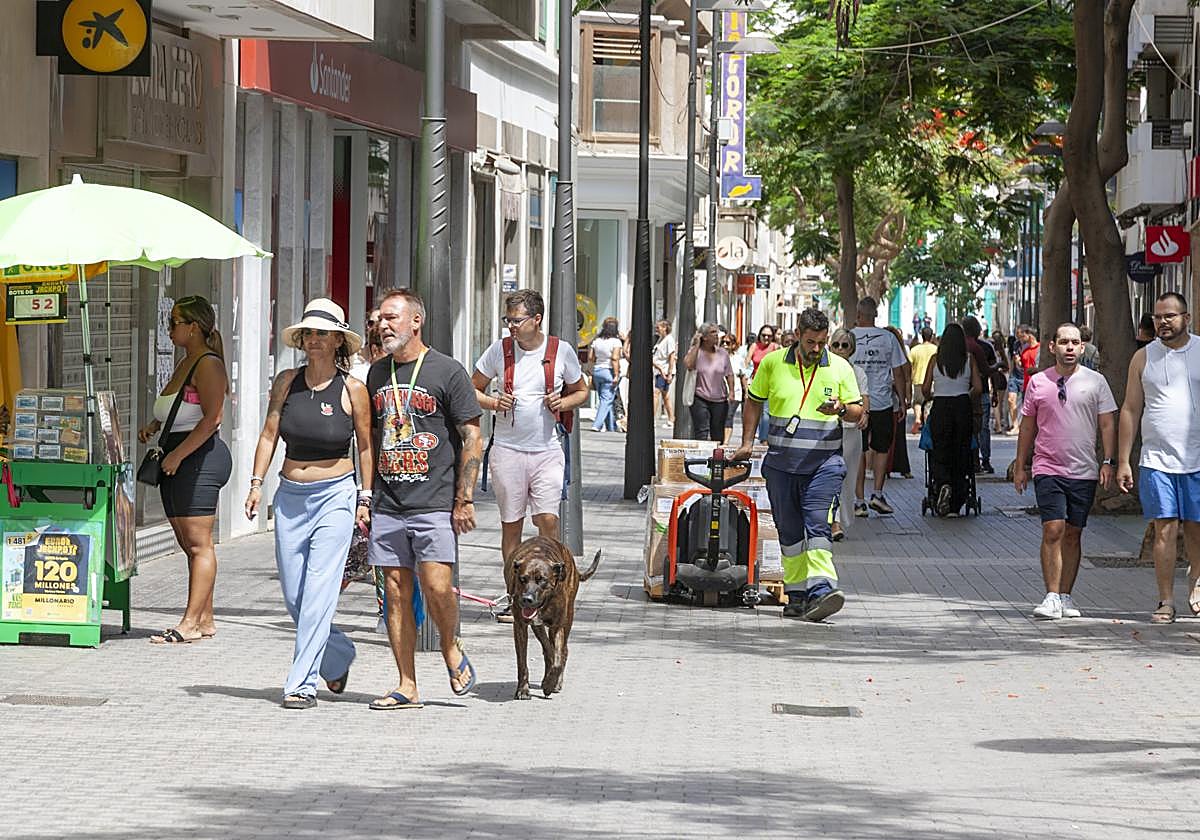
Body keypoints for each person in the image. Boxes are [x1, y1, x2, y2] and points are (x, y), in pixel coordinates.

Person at [244, 299, 373, 709]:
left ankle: (301, 684)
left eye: (323, 334)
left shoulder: (353, 389)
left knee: (319, 589)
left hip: (336, 495)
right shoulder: (286, 382)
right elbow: (268, 435)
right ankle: (337, 653)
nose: (314, 341)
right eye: (309, 334)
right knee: (295, 593)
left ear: (339, 341)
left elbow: (366, 447)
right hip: (290, 497)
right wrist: (255, 483)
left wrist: (364, 499)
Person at [366, 288, 483, 709]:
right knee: (395, 592)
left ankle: (450, 647)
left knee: (437, 587)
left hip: (434, 500)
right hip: (388, 502)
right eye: (380, 318)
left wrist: (464, 498)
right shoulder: (376, 375)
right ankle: (406, 683)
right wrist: (367, 498)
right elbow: (373, 437)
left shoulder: (447, 372)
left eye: (392, 317)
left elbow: (472, 435)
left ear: (416, 321)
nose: (383, 325)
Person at [732, 308, 864, 620]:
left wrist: (842, 409)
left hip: (825, 464)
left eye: (821, 343)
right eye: (810, 342)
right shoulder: (773, 363)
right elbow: (754, 400)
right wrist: (747, 442)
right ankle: (796, 594)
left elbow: (859, 413)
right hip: (781, 464)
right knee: (789, 532)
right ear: (797, 335)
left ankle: (822, 589)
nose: (816, 349)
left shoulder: (840, 368)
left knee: (817, 522)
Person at [472, 289, 589, 622]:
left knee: (547, 522)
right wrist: (494, 403)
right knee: (512, 526)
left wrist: (563, 403)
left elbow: (581, 390)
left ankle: (551, 594)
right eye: (508, 320)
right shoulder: (500, 350)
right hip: (507, 451)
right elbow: (472, 386)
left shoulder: (560, 351)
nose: (511, 326)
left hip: (547, 449)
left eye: (517, 320)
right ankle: (515, 596)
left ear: (536, 319)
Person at [137, 295, 231, 644]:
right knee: (186, 542)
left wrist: (178, 456)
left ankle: (190, 622)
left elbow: (212, 419)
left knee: (199, 544)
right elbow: (180, 409)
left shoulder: (208, 364)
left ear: (194, 327)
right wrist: (153, 426)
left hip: (200, 458)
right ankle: (204, 618)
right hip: (178, 455)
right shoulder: (186, 361)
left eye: (174, 322)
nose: (169, 327)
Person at [1014, 323, 1117, 620]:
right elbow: (1028, 426)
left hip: (1083, 470)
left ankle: (1066, 595)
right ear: (1052, 347)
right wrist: (1022, 465)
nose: (1069, 347)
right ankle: (1051, 595)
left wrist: (1108, 461)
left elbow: (1107, 423)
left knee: (1073, 533)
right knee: (1053, 529)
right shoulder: (1038, 383)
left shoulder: (1096, 382)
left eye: (1075, 343)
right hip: (1048, 467)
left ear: (1082, 348)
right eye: (1063, 342)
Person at [1117, 292, 1200, 624]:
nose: (1163, 322)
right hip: (1156, 459)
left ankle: (1197, 584)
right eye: (1157, 317)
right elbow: (1130, 409)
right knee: (1164, 528)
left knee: (1196, 529)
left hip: (1197, 458)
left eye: (1170, 316)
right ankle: (1165, 601)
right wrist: (1122, 459)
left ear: (1186, 318)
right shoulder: (1143, 357)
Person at [851, 297, 909, 516]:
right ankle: (877, 493)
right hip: (883, 402)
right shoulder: (888, 338)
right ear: (875, 315)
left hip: (855, 403)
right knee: (882, 448)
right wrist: (902, 401)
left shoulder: (848, 337)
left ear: (858, 314)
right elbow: (898, 372)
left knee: (859, 450)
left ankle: (859, 500)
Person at [921, 323, 980, 517]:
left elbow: (925, 389)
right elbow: (978, 388)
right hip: (962, 407)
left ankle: (943, 482)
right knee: (961, 450)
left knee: (940, 448)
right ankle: (956, 501)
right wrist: (965, 395)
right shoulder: (969, 360)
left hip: (941, 407)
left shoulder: (935, 360)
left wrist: (935, 394)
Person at [828, 328, 869, 542]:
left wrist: (865, 414)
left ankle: (839, 519)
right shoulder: (823, 370)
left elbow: (864, 398)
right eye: (837, 345)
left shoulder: (858, 372)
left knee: (846, 477)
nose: (841, 349)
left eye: (845, 345)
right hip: (826, 430)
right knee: (830, 475)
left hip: (850, 432)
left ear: (852, 348)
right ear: (829, 345)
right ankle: (832, 521)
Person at [683, 322, 734, 442]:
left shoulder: (723, 354)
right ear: (704, 337)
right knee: (701, 431)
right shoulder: (696, 352)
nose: (716, 335)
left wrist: (731, 391)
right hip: (700, 397)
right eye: (713, 332)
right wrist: (696, 345)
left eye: (717, 332)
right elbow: (689, 365)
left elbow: (729, 374)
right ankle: (701, 459)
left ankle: (716, 459)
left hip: (719, 399)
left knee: (717, 433)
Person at [963, 316, 999, 474]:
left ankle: (971, 459)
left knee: (968, 428)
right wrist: (995, 392)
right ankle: (984, 460)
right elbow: (990, 371)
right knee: (983, 428)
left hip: (962, 391)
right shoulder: (984, 347)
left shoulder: (959, 346)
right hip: (982, 391)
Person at [884, 325, 912, 479]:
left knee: (891, 436)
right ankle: (900, 467)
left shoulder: (897, 356)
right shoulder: (902, 357)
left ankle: (887, 466)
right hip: (895, 399)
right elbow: (907, 378)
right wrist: (906, 398)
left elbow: (905, 378)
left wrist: (904, 398)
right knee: (898, 436)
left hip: (892, 398)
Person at [589, 318, 623, 432]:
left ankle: (610, 426)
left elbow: (591, 357)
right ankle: (597, 424)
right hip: (608, 371)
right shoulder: (616, 342)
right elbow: (615, 358)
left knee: (605, 398)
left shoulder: (597, 340)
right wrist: (616, 375)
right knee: (606, 400)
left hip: (597, 371)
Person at [749, 325, 780, 442]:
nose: (766, 338)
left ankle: (764, 439)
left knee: (766, 412)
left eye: (769, 336)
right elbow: (747, 363)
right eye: (764, 335)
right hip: (755, 383)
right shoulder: (754, 346)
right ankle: (751, 436)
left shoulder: (775, 347)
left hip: (770, 384)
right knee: (754, 411)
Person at [908, 327, 937, 432]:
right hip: (933, 380)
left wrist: (909, 379)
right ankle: (926, 421)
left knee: (917, 402)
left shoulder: (914, 350)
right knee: (929, 403)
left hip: (918, 379)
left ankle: (917, 419)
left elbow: (910, 366)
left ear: (922, 336)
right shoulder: (936, 349)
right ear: (932, 336)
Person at [722, 334, 747, 445]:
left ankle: (726, 441)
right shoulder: (717, 356)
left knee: (728, 415)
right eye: (723, 342)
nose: (725, 345)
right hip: (719, 391)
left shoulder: (738, 359)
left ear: (733, 345)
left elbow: (743, 376)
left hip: (735, 392)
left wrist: (746, 392)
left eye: (728, 343)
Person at [651, 319, 676, 426]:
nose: (657, 329)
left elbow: (671, 356)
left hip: (664, 371)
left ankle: (651, 418)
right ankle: (671, 418)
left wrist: (669, 373)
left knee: (656, 393)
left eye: (659, 327)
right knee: (665, 396)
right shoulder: (661, 339)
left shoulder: (669, 339)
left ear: (665, 328)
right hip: (658, 370)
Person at [991, 329, 1012, 433]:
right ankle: (999, 423)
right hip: (1002, 377)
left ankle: (998, 424)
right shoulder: (1005, 351)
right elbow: (1007, 367)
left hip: (994, 377)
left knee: (995, 402)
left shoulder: (991, 351)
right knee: (1001, 401)